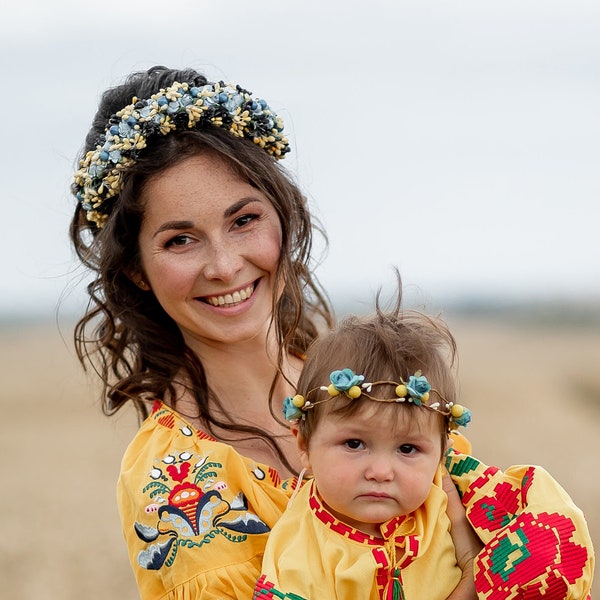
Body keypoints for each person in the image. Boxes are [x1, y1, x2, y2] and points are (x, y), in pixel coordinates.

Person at [69, 65, 590, 599]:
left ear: (283, 216)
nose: (224, 265)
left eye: (243, 220)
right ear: (135, 267)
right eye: (181, 240)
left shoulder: (369, 377)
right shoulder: (172, 481)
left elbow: (500, 531)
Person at [255, 286, 595, 599]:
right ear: (304, 445)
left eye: (407, 449)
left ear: (442, 452)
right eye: (355, 444)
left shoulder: (457, 492)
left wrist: (483, 564)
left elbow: (559, 542)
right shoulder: (298, 549)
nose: (380, 471)